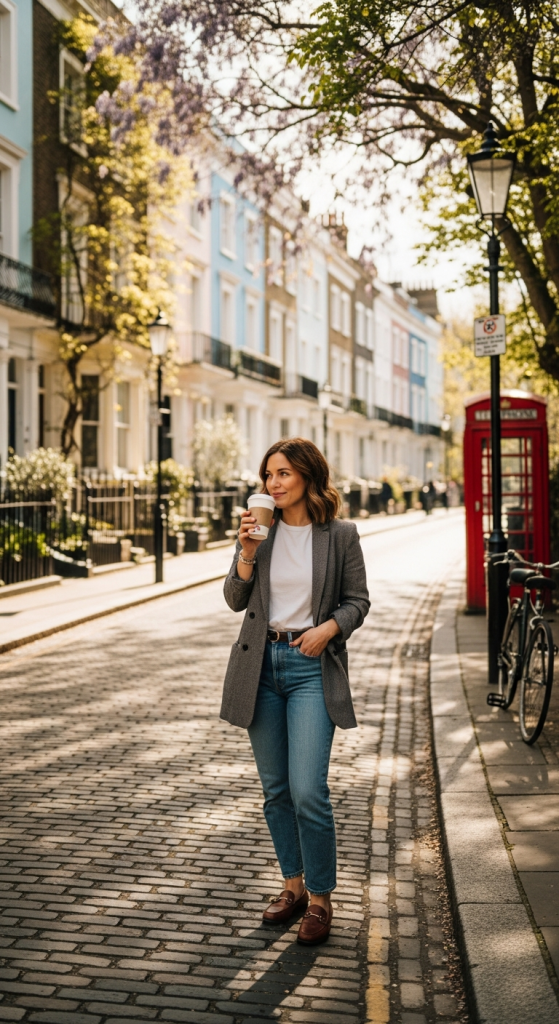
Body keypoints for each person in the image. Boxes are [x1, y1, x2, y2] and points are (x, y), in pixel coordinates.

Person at [221, 438, 370, 946]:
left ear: (307, 475)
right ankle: (293, 888)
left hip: (311, 669)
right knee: (276, 791)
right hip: (260, 667)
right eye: (268, 475)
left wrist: (329, 629)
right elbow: (234, 599)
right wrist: (245, 553)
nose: (273, 484)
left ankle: (323, 898)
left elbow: (358, 601)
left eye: (283, 473)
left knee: (309, 791)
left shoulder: (341, 535)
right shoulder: (259, 532)